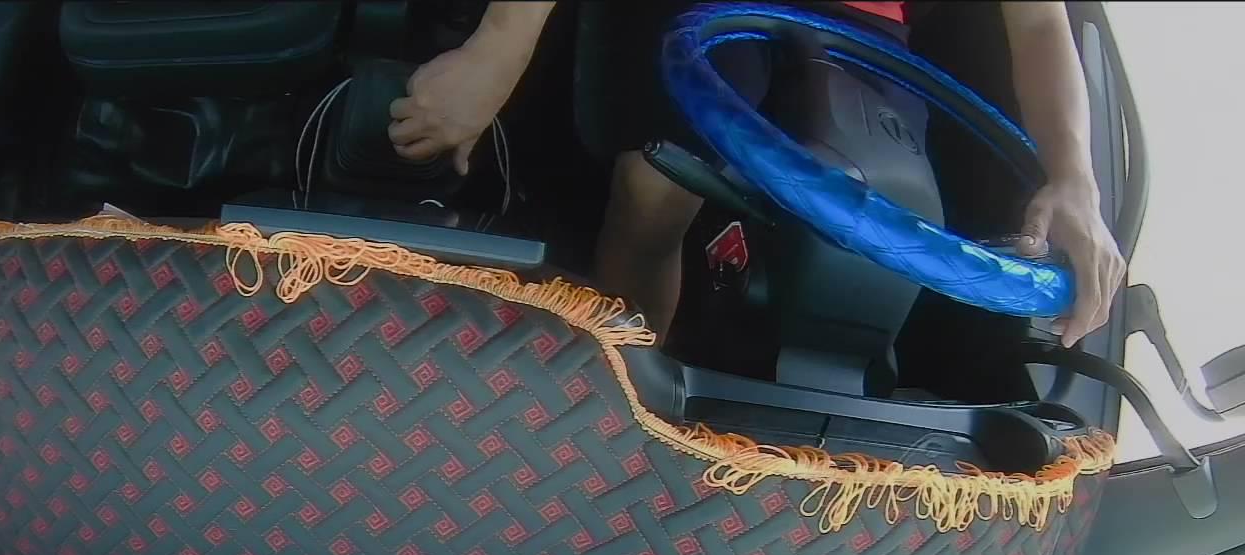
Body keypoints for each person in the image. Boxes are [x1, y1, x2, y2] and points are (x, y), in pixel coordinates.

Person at [387, 1, 1126, 350]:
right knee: (655, 187)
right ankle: (615, 390)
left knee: (877, 230)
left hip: (861, 29)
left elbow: (1039, 24)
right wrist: (496, 53)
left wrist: (1076, 182)